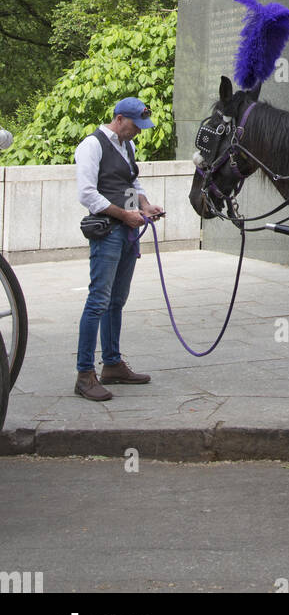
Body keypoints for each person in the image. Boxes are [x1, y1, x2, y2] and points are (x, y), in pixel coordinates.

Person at [74, 97, 164, 402]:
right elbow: (87, 193)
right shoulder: (92, 145)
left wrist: (145, 206)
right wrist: (124, 214)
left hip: (128, 232)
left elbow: (133, 183)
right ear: (119, 119)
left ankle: (111, 363)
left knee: (117, 300)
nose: (138, 132)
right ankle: (85, 374)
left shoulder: (128, 146)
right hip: (108, 231)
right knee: (98, 300)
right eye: (135, 126)